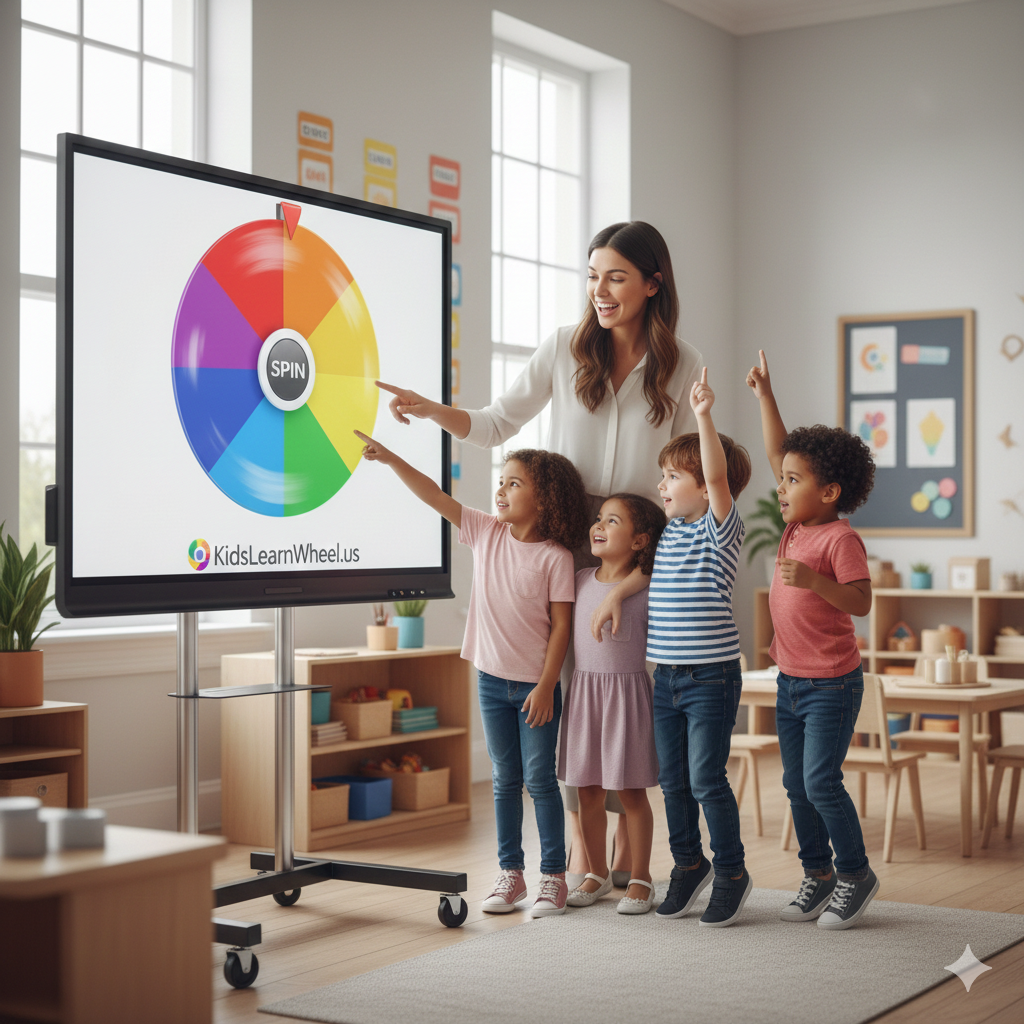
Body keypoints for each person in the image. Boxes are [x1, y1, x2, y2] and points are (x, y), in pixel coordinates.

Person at [375, 220, 703, 883]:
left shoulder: (682, 364)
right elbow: (497, 422)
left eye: (614, 276)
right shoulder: (563, 348)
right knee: (580, 696)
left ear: (652, 282)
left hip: (641, 556)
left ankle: (627, 845)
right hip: (571, 549)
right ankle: (584, 849)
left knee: (626, 695)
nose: (600, 291)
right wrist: (432, 409)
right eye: (591, 277)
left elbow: (690, 468)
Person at [355, 430, 589, 917]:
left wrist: (547, 686)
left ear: (543, 498)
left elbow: (562, 627)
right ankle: (511, 875)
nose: (500, 490)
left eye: (513, 483)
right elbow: (432, 493)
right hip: (489, 679)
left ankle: (553, 878)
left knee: (540, 781)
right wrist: (393, 458)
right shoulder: (485, 531)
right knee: (505, 779)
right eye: (500, 482)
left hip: (535, 687)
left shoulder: (556, 557)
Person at [596, 368, 753, 925]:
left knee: (708, 778)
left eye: (671, 476)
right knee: (674, 780)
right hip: (665, 676)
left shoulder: (719, 527)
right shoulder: (670, 536)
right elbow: (649, 575)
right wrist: (617, 593)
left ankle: (731, 870)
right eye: (661, 475)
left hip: (710, 675)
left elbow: (716, 476)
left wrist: (704, 415)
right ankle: (688, 864)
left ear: (709, 489)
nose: (661, 485)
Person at [745, 349, 879, 931]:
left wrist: (819, 582)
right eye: (784, 480)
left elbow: (862, 602)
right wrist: (765, 396)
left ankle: (855, 873)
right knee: (796, 783)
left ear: (829, 492)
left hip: (832, 683)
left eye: (794, 481)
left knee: (821, 780)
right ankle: (818, 873)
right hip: (792, 680)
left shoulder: (838, 540)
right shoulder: (797, 523)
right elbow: (780, 451)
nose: (782, 486)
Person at [558, 494, 665, 915]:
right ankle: (597, 872)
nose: (598, 526)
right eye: (599, 518)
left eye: (612, 521)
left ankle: (640, 877)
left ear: (640, 540)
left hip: (627, 698)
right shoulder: (581, 578)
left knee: (631, 793)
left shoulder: (649, 585)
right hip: (584, 696)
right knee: (586, 791)